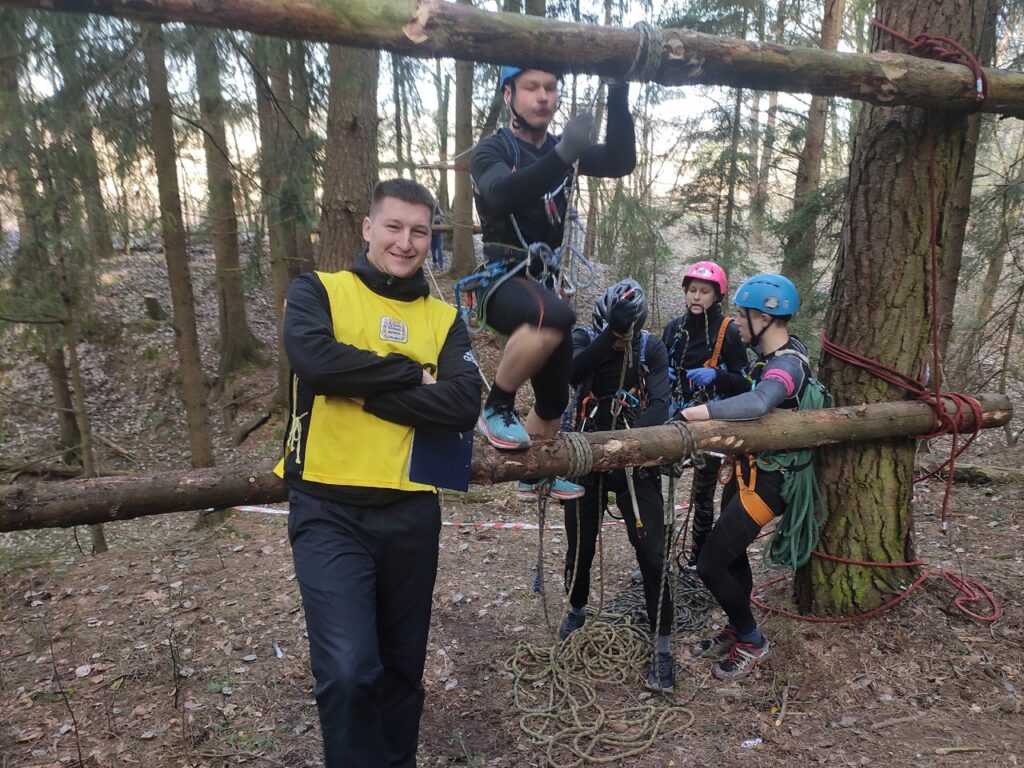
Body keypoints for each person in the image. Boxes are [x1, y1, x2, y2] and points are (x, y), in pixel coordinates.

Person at [274, 179, 483, 767]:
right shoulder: (319, 289)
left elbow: (464, 403)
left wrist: (363, 389)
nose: (405, 241)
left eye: (419, 231)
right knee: (347, 671)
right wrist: (410, 373)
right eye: (393, 226)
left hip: (412, 512)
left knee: (399, 672)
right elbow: (315, 362)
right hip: (327, 508)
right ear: (368, 228)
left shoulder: (443, 318)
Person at [470, 65, 637, 500]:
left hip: (542, 281)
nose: (543, 96)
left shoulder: (567, 152)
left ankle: (534, 474)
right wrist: (562, 154)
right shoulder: (491, 150)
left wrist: (617, 91)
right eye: (531, 88)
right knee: (554, 314)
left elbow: (622, 161)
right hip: (501, 279)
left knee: (554, 400)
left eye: (550, 88)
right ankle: (497, 406)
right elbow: (502, 193)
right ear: (508, 95)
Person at [680, 274, 809, 681]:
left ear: (764, 317)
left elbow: (759, 401)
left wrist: (696, 414)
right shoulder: (771, 359)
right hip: (748, 471)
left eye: (742, 313)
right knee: (730, 555)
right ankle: (737, 627)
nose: (735, 322)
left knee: (710, 563)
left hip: (772, 481)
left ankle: (753, 640)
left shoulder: (789, 364)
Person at [559, 279, 676, 692]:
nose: (623, 343)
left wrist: (627, 447)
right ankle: (576, 609)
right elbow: (571, 372)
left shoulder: (650, 348)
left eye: (627, 335)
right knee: (581, 544)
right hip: (584, 455)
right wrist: (610, 334)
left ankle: (662, 645)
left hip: (634, 455)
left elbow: (661, 403)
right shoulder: (583, 337)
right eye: (618, 334)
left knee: (653, 552)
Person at [662, 261, 749, 569]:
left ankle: (699, 558)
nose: (697, 297)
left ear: (717, 296)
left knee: (702, 493)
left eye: (704, 292)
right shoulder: (674, 329)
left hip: (711, 421)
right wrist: (665, 376)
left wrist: (717, 377)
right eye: (693, 291)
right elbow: (657, 375)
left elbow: (745, 382)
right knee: (665, 493)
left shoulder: (728, 332)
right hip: (677, 418)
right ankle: (660, 556)